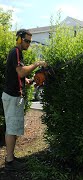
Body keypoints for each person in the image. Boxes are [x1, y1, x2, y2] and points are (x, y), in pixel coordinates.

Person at [2, 29, 47, 171]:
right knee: (11, 129)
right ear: (19, 39)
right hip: (12, 96)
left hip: (14, 95)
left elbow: (19, 74)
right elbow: (20, 71)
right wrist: (37, 64)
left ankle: (11, 157)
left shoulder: (18, 53)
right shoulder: (15, 51)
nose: (28, 44)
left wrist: (28, 80)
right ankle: (9, 161)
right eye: (26, 41)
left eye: (30, 41)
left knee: (13, 128)